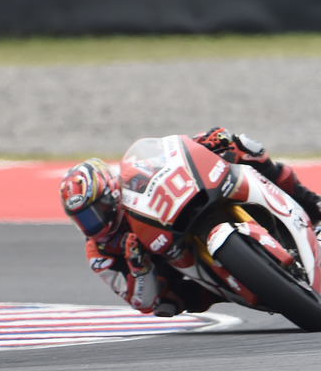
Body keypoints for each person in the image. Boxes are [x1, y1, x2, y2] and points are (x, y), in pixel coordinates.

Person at [59, 127, 321, 317]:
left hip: (184, 213)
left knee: (247, 148)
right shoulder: (100, 253)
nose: (94, 223)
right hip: (168, 262)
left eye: (96, 211)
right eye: (83, 220)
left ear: (112, 191)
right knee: (167, 304)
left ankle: (314, 208)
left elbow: (170, 157)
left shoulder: (134, 178)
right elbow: (141, 302)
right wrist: (139, 268)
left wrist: (205, 142)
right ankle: (247, 286)